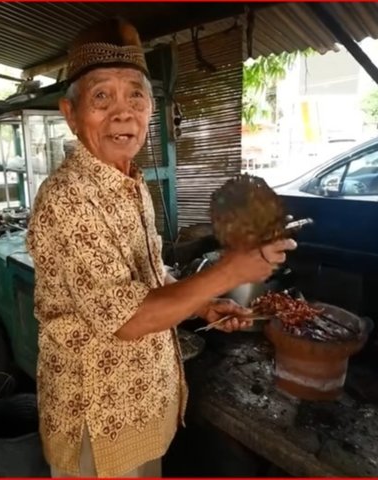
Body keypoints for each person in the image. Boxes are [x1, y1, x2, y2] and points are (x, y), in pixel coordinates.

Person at [26, 18, 297, 478]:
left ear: (152, 107)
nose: (123, 112)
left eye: (136, 94)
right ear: (70, 115)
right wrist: (230, 271)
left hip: (140, 405)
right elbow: (127, 319)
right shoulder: (68, 199)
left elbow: (148, 279)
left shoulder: (129, 183)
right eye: (101, 97)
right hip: (100, 418)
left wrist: (202, 303)